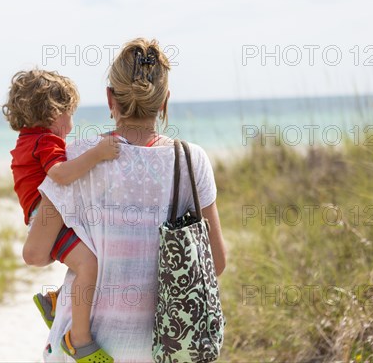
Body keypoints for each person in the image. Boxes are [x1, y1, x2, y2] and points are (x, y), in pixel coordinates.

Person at [23, 38, 227, 362]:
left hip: (84, 351)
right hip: (161, 348)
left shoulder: (76, 158)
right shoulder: (192, 160)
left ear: (109, 98)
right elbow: (215, 262)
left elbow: (34, 253)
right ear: (164, 102)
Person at [2, 69, 120, 362]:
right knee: (89, 265)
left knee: (89, 249)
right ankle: (78, 340)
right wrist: (98, 154)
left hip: (41, 216)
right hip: (47, 216)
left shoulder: (26, 140)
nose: (71, 123)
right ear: (54, 113)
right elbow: (60, 175)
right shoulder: (45, 141)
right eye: (70, 113)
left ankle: (56, 300)